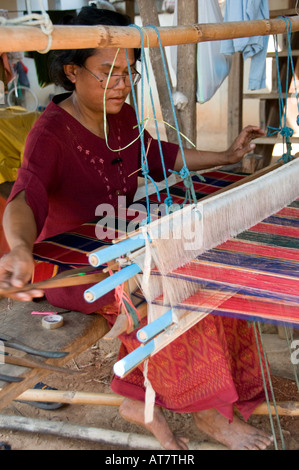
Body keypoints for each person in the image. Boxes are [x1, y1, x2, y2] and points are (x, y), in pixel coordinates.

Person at [0, 6, 273, 451]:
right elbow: (26, 196)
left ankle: (143, 397)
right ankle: (206, 413)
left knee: (214, 263)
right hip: (79, 266)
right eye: (108, 73)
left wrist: (224, 156)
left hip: (125, 243)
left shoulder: (121, 116)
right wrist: (19, 248)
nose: (121, 84)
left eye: (128, 73)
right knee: (170, 287)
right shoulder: (51, 133)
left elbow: (158, 153)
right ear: (72, 70)